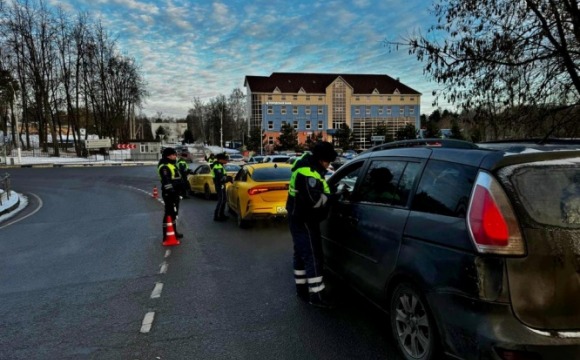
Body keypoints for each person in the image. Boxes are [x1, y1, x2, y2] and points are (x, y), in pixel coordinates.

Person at [286, 141, 338, 308]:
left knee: (301, 253)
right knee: (313, 255)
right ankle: (316, 295)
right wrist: (331, 198)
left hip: (298, 218)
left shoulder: (308, 168)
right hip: (305, 219)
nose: (328, 165)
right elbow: (314, 201)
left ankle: (301, 289)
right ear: (321, 159)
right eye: (328, 161)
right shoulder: (308, 174)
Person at [158, 147, 184, 240]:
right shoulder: (165, 167)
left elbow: (177, 178)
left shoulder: (172, 165)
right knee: (169, 213)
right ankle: (166, 235)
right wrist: (172, 192)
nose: (175, 156)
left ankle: (173, 232)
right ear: (168, 156)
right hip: (169, 194)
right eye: (173, 154)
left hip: (175, 193)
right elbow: (166, 182)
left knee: (173, 213)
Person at [212, 152, 232, 221]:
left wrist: (227, 178)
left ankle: (221, 214)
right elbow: (221, 178)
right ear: (220, 160)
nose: (226, 160)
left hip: (221, 185)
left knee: (223, 200)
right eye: (225, 159)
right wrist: (228, 179)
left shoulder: (220, 165)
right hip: (220, 185)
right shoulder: (217, 166)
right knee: (221, 200)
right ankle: (217, 216)